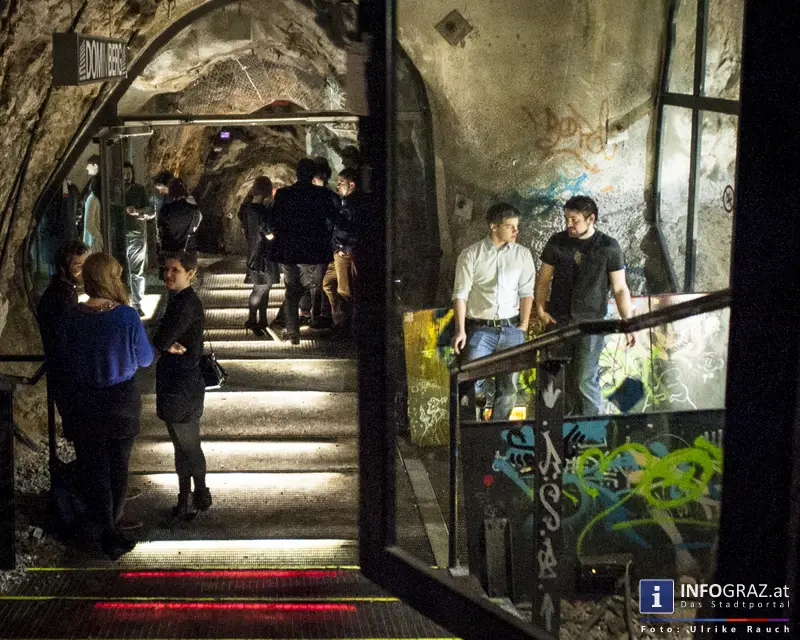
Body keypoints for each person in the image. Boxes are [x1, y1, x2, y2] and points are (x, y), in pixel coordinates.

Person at [51, 253, 153, 559]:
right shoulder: (125, 317)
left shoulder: (71, 316)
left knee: (94, 467)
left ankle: (104, 526)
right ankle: (112, 529)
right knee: (118, 466)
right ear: (112, 279)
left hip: (84, 402)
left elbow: (64, 360)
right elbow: (145, 359)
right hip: (120, 401)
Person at [535, 195, 635, 416]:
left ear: (591, 218)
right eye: (566, 219)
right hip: (558, 321)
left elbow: (620, 288)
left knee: (584, 379)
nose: (568, 225)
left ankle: (593, 435)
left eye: (574, 220)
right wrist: (541, 309)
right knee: (558, 381)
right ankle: (563, 435)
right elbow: (543, 279)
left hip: (592, 324)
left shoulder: (609, 247)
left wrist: (628, 322)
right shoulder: (557, 241)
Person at [451, 203, 535, 421]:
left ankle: (497, 433)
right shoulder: (471, 255)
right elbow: (461, 295)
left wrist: (523, 326)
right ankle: (472, 432)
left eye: (517, 226)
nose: (516, 231)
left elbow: (527, 293)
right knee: (469, 382)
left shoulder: (523, 255)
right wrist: (461, 330)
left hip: (512, 328)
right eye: (510, 226)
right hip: (480, 329)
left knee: (509, 389)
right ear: (494, 227)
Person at [152, 251, 211, 521]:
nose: (168, 275)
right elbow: (162, 339)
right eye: (166, 270)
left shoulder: (185, 304)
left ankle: (194, 495)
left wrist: (164, 343)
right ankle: (192, 495)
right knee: (183, 444)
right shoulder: (180, 300)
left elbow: (161, 338)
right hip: (180, 382)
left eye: (174, 270)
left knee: (186, 444)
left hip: (181, 385)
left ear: (191, 273)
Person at [269, 158, 341, 344]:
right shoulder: (322, 195)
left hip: (289, 251)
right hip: (312, 251)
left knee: (293, 289)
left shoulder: (284, 194)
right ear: (311, 175)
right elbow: (335, 218)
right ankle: (289, 328)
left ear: (297, 174)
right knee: (307, 287)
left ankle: (292, 332)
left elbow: (274, 220)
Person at [37, 240, 89, 442]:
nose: (83, 271)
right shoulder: (61, 297)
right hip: (67, 376)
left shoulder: (64, 292)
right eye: (78, 266)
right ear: (63, 267)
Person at [322, 167, 365, 337]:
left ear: (352, 184)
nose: (338, 186)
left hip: (343, 253)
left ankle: (344, 326)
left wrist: (345, 248)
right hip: (337, 251)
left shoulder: (354, 204)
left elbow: (355, 230)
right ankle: (339, 320)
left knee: (344, 291)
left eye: (341, 183)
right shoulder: (346, 202)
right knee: (327, 283)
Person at [238, 176, 279, 335]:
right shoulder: (262, 211)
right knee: (261, 289)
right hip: (264, 255)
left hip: (253, 252)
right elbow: (268, 233)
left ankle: (262, 320)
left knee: (263, 288)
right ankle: (252, 319)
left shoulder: (246, 209)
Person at [123, 162, 153, 317]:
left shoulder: (139, 190)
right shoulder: (114, 191)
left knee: (136, 271)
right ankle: (120, 303)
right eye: (123, 173)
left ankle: (137, 303)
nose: (126, 176)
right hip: (118, 236)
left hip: (136, 235)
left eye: (128, 173)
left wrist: (138, 212)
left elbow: (150, 211)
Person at [157, 178, 202, 254]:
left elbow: (160, 227)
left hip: (170, 250)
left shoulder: (165, 209)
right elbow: (196, 224)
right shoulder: (194, 209)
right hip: (188, 251)